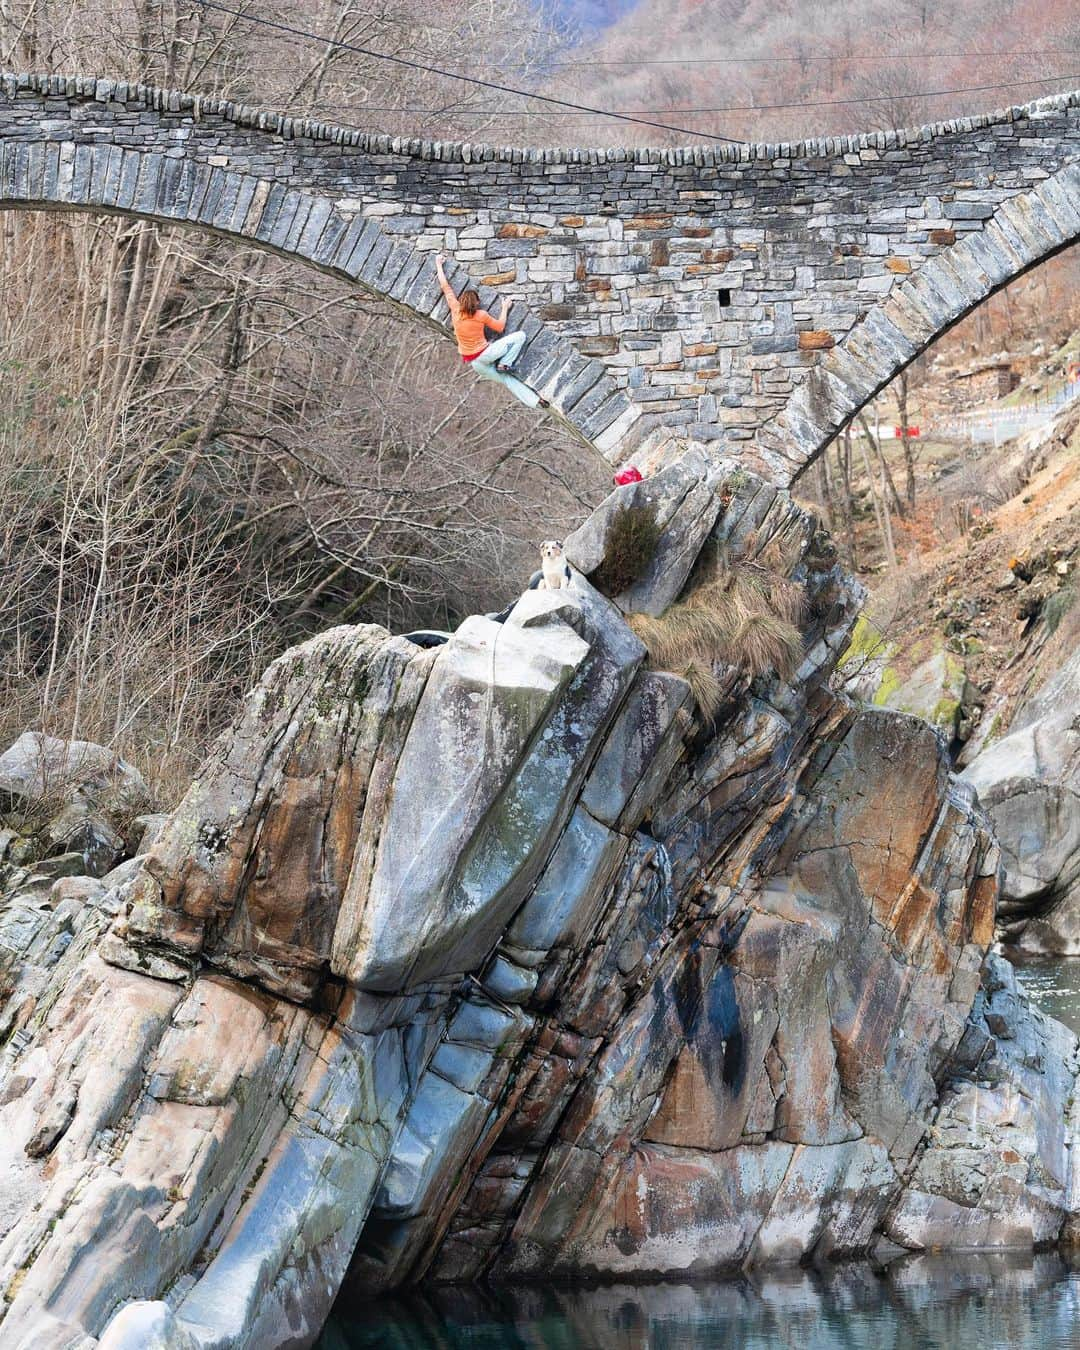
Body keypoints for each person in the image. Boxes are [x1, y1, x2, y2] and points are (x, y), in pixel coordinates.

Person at [435, 254, 549, 410]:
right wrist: (504, 308)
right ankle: (504, 363)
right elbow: (500, 327)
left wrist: (438, 264)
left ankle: (536, 402)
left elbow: (445, 286)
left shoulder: (455, 311)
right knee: (520, 337)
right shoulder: (480, 315)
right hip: (486, 354)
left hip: (476, 364)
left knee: (508, 380)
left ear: (461, 302)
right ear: (476, 303)